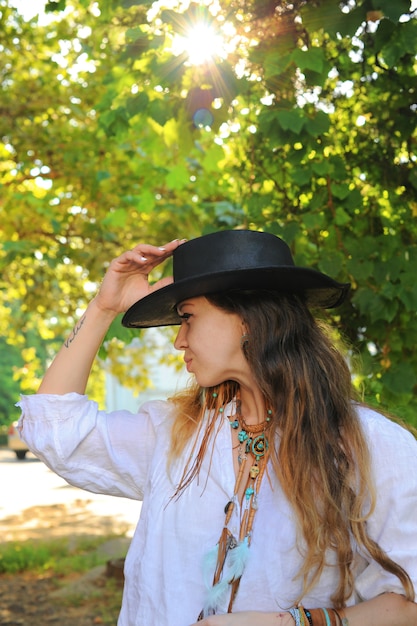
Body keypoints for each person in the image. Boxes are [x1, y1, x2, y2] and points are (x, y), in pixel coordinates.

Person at [17, 230, 417, 626]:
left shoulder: (371, 446)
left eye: (187, 317)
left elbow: (408, 603)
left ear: (246, 320)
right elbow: (56, 429)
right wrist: (103, 308)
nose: (179, 340)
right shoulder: (176, 433)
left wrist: (287, 623)